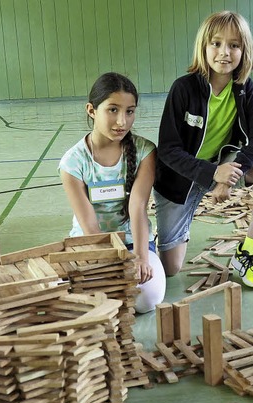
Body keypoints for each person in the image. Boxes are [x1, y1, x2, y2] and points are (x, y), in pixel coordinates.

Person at [154, 11, 253, 289]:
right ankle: (172, 233)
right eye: (216, 44)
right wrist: (212, 174)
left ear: (244, 50)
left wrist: (231, 172)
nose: (224, 53)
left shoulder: (243, 88)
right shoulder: (183, 89)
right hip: (180, 179)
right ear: (203, 47)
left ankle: (250, 250)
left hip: (223, 165)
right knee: (170, 269)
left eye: (234, 45)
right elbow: (168, 150)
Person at [59, 72, 166, 313]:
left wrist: (140, 258)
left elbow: (137, 207)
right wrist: (110, 268)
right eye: (113, 110)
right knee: (83, 302)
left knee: (147, 299)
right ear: (91, 110)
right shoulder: (72, 163)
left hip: (133, 242)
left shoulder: (145, 151)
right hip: (91, 244)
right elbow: (90, 227)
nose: (122, 122)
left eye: (129, 111)